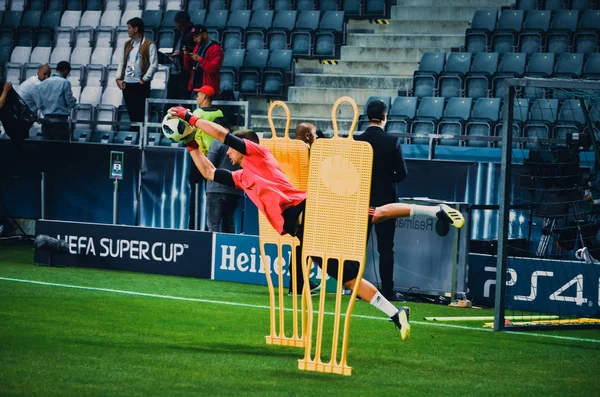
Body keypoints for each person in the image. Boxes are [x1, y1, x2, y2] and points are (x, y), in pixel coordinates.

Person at [167, 106, 466, 341]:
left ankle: (434, 210)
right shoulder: (241, 177)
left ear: (243, 145)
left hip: (312, 209)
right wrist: (192, 144)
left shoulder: (258, 153)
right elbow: (208, 173)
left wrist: (190, 117)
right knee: (348, 278)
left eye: (231, 149)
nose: (227, 153)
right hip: (303, 231)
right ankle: (395, 313)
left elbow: (221, 134)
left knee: (375, 214)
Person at [355, 100, 408, 302]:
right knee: (386, 248)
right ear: (385, 117)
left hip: (361, 202)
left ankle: (357, 288)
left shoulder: (357, 141)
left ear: (367, 117)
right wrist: (386, 179)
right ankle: (387, 290)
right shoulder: (392, 141)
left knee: (358, 247)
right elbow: (402, 174)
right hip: (386, 202)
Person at [188, 85, 225, 229]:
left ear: (204, 97)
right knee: (212, 194)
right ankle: (208, 226)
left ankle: (194, 226)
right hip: (217, 158)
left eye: (199, 94)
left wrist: (201, 153)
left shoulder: (197, 113)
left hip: (201, 157)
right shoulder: (220, 113)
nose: (197, 97)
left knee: (195, 193)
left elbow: (195, 135)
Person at [115, 17, 158, 129]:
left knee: (140, 113)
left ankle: (140, 138)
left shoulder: (149, 44)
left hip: (140, 84)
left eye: (129, 28)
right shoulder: (127, 44)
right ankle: (134, 135)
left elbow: (154, 65)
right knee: (132, 113)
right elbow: (122, 62)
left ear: (135, 29)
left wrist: (144, 79)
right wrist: (118, 78)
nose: (127, 30)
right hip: (127, 83)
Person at [205, 117, 243, 233]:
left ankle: (211, 249)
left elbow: (209, 165)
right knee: (229, 224)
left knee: (213, 226)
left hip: (215, 189)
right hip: (234, 189)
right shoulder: (239, 142)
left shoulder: (217, 142)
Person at [32, 61, 77, 140]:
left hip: (46, 119)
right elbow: (70, 103)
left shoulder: (44, 82)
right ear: (66, 71)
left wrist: (42, 108)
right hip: (60, 120)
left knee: (47, 146)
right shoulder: (65, 82)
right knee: (60, 147)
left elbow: (33, 91)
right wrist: (73, 101)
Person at [183, 24, 223, 97]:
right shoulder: (197, 47)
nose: (194, 40)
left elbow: (213, 69)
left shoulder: (216, 48)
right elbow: (189, 68)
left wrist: (200, 59)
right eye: (193, 37)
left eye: (196, 36)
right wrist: (187, 56)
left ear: (204, 34)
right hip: (195, 87)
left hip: (208, 89)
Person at [166, 11, 194, 101]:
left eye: (181, 26)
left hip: (185, 72)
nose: (179, 28)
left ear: (187, 23)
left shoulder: (193, 34)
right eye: (177, 25)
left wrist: (181, 54)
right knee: (170, 99)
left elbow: (194, 53)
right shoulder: (178, 33)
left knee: (185, 99)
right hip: (174, 70)